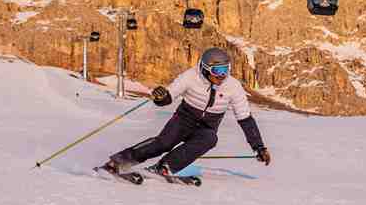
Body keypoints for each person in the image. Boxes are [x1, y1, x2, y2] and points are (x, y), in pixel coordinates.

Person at [106, 47, 271, 177]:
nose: (222, 76)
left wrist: (259, 147)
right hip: (184, 118)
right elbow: (169, 96)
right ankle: (118, 161)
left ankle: (165, 167)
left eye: (226, 70)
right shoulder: (191, 76)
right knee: (163, 143)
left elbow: (245, 119)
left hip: (208, 126)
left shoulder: (233, 86)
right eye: (218, 71)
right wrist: (161, 98)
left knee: (210, 139)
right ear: (206, 69)